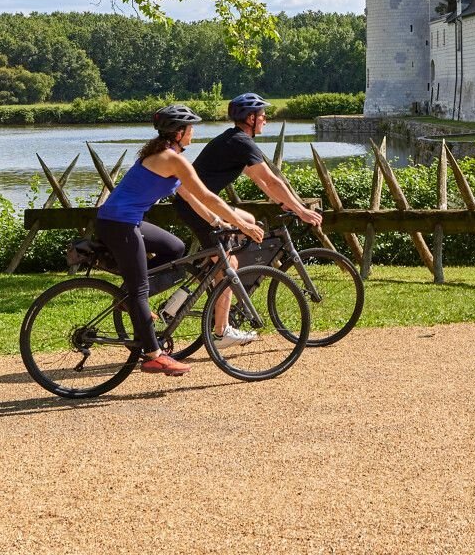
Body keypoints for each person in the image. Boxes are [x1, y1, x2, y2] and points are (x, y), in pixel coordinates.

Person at [94, 104, 264, 378]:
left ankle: (131, 298)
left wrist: (217, 222)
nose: (193, 133)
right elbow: (209, 196)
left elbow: (190, 196)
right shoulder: (172, 159)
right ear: (179, 132)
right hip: (119, 225)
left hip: (125, 221)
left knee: (175, 249)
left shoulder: (165, 156)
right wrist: (243, 224)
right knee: (139, 290)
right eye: (190, 128)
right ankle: (153, 355)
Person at [177, 92, 324, 344]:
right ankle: (222, 330)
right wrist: (300, 209)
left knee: (249, 220)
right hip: (197, 207)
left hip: (196, 204)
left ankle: (204, 280)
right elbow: (271, 180)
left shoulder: (234, 141)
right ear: (250, 118)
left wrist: (285, 202)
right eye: (262, 115)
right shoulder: (241, 142)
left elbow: (263, 181)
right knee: (228, 266)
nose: (266, 119)